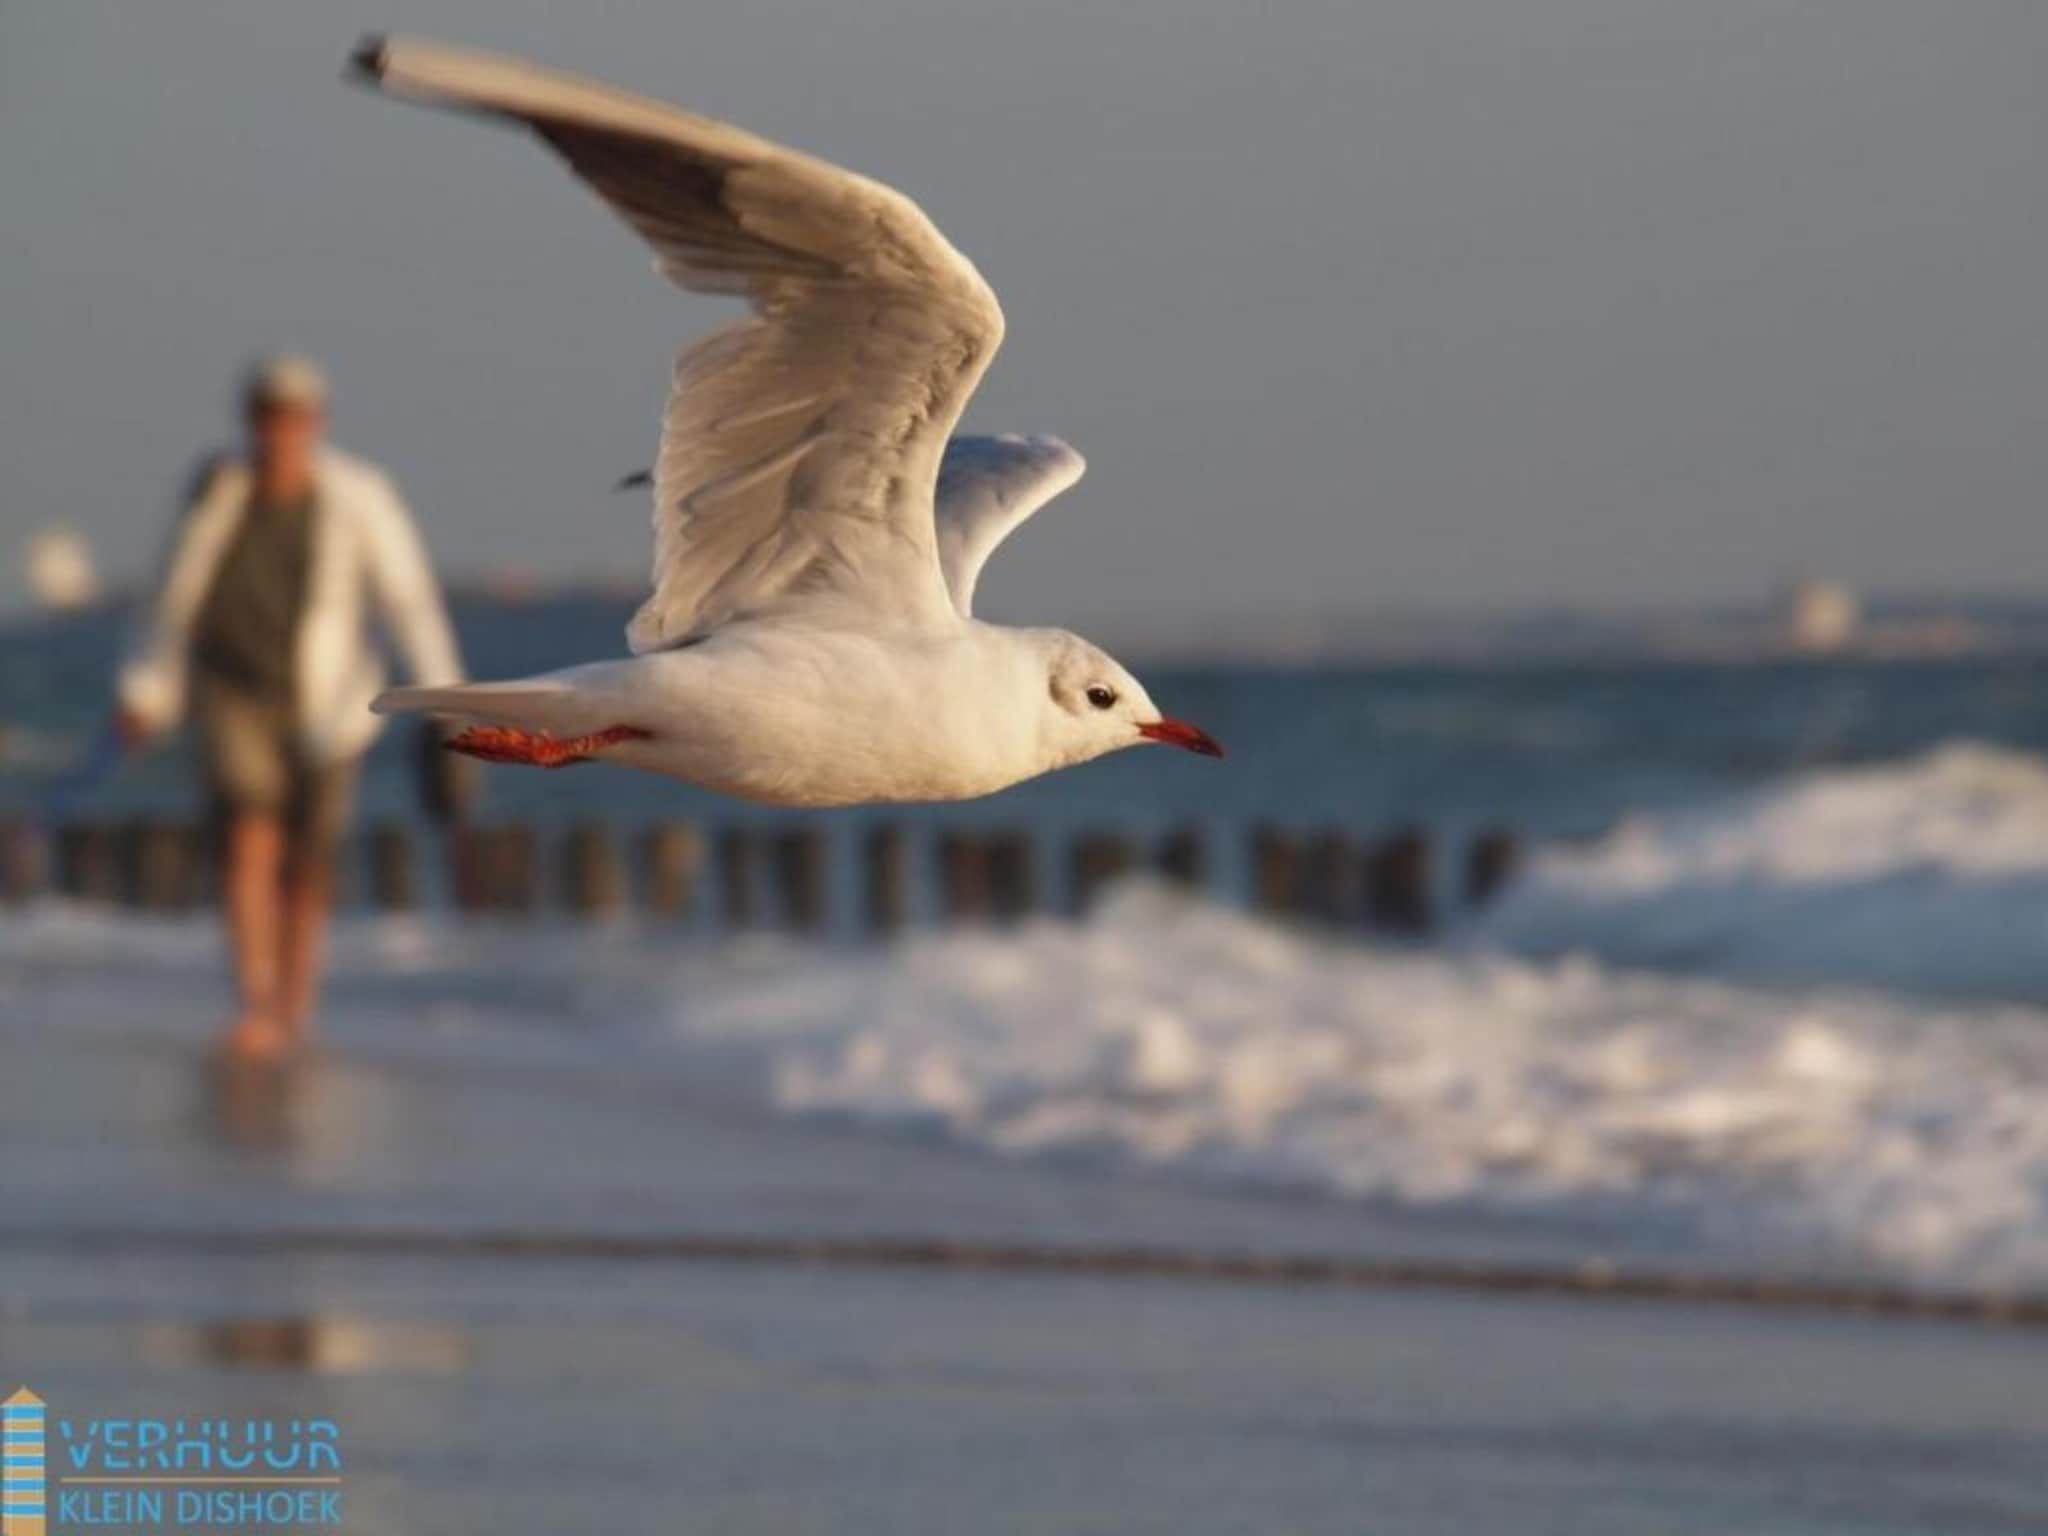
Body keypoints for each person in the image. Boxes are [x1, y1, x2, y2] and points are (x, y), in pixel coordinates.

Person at [117, 355, 464, 1060]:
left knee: (309, 859)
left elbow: (407, 600)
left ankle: (293, 1003)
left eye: (293, 418)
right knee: (248, 834)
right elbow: (171, 594)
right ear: (250, 422)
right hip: (231, 691)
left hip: (331, 702)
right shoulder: (219, 490)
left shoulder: (359, 495)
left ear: (316, 423)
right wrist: (145, 690)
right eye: (267, 417)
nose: (279, 432)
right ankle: (255, 999)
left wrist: (443, 699)